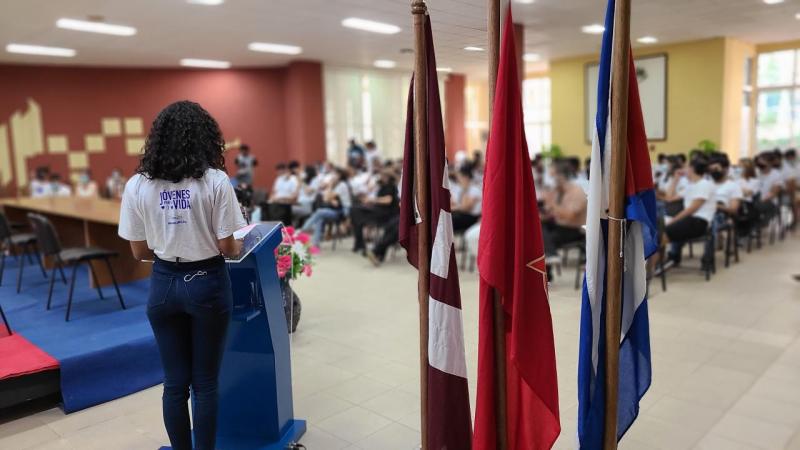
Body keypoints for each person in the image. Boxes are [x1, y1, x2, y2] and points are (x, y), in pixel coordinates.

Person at [118, 100, 246, 450]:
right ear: (205, 138)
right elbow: (227, 247)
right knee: (205, 382)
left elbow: (139, 252)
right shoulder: (215, 181)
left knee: (175, 384)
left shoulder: (137, 186)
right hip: (206, 282)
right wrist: (235, 243)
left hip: (162, 284)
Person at [663, 157, 716, 265]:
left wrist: (672, 222)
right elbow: (668, 198)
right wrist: (675, 179)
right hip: (689, 220)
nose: (684, 169)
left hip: (699, 222)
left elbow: (691, 210)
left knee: (662, 233)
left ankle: (655, 267)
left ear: (692, 169)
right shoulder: (690, 185)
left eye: (687, 167)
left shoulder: (705, 184)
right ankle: (659, 264)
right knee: (657, 230)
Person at [540, 161, 588, 257]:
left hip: (573, 230)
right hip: (560, 226)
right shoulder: (559, 191)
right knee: (537, 228)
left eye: (552, 176)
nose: (550, 180)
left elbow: (570, 216)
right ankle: (548, 260)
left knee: (543, 237)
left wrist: (552, 204)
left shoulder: (576, 191)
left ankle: (551, 256)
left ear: (561, 176)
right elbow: (552, 212)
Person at [350, 169, 400, 254]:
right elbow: (370, 193)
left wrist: (372, 200)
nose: (381, 177)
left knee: (356, 212)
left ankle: (360, 242)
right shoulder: (382, 186)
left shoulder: (391, 186)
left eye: (383, 176)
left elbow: (388, 200)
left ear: (388, 177)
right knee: (354, 210)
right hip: (377, 210)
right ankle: (359, 239)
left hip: (385, 213)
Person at [300, 168, 352, 247]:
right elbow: (326, 199)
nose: (332, 176)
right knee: (320, 217)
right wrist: (331, 199)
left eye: (334, 174)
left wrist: (330, 187)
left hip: (343, 211)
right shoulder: (336, 185)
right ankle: (315, 244)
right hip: (335, 209)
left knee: (320, 212)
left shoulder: (342, 185)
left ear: (339, 176)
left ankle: (304, 229)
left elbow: (327, 198)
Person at [450, 166, 482, 232]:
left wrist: (454, 208)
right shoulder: (465, 188)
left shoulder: (474, 189)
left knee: (451, 221)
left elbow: (466, 207)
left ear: (466, 177)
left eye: (460, 177)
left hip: (473, 217)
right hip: (467, 215)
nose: (458, 180)